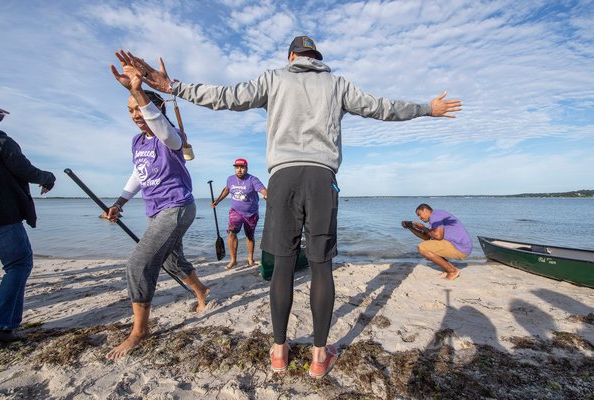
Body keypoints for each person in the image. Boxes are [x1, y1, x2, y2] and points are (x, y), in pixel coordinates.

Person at [126, 35, 462, 378]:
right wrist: (427, 109)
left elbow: (224, 97)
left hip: (283, 180)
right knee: (321, 265)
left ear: (291, 57)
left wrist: (173, 86)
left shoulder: (274, 78)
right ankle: (319, 357)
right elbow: (382, 107)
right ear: (317, 57)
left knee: (283, 265)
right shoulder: (337, 84)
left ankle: (278, 352)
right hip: (321, 179)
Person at [104, 50, 210, 360]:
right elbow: (139, 173)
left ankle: (140, 331)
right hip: (156, 210)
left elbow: (160, 124)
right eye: (130, 110)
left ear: (153, 109)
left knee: (138, 264)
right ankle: (201, 291)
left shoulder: (171, 136)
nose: (135, 114)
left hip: (177, 207)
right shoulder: (138, 142)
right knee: (170, 261)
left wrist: (138, 90)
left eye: (138, 108)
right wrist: (120, 202)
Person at [0, 104, 56, 343]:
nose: (0, 119)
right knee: (18, 264)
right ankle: (1, 324)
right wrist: (48, 178)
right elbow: (24, 169)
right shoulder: (1, 143)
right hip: (1, 215)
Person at [211, 158, 267, 269]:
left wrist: (266, 195)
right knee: (231, 233)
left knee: (250, 236)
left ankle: (250, 258)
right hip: (235, 211)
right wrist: (217, 201)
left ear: (246, 168)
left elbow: (263, 189)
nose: (239, 170)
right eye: (237, 167)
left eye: (242, 167)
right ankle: (233, 260)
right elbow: (226, 190)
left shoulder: (252, 179)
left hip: (251, 213)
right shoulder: (230, 179)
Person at [402, 203, 472, 281]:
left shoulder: (436, 215)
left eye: (419, 214)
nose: (419, 218)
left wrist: (423, 227)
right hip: (462, 247)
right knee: (430, 243)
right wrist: (410, 227)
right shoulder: (435, 218)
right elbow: (426, 237)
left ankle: (452, 271)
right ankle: (448, 268)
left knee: (422, 247)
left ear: (425, 210)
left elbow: (438, 236)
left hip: (461, 248)